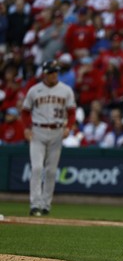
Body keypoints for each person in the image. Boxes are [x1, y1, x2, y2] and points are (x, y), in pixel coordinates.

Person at [21, 60, 76, 216]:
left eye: (56, 71)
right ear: (44, 73)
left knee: (51, 171)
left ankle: (46, 204)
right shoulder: (34, 90)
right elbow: (25, 111)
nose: (54, 74)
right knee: (37, 168)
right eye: (51, 72)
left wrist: (69, 127)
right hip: (38, 131)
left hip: (57, 132)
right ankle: (35, 204)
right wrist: (26, 128)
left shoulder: (66, 90)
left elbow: (72, 112)